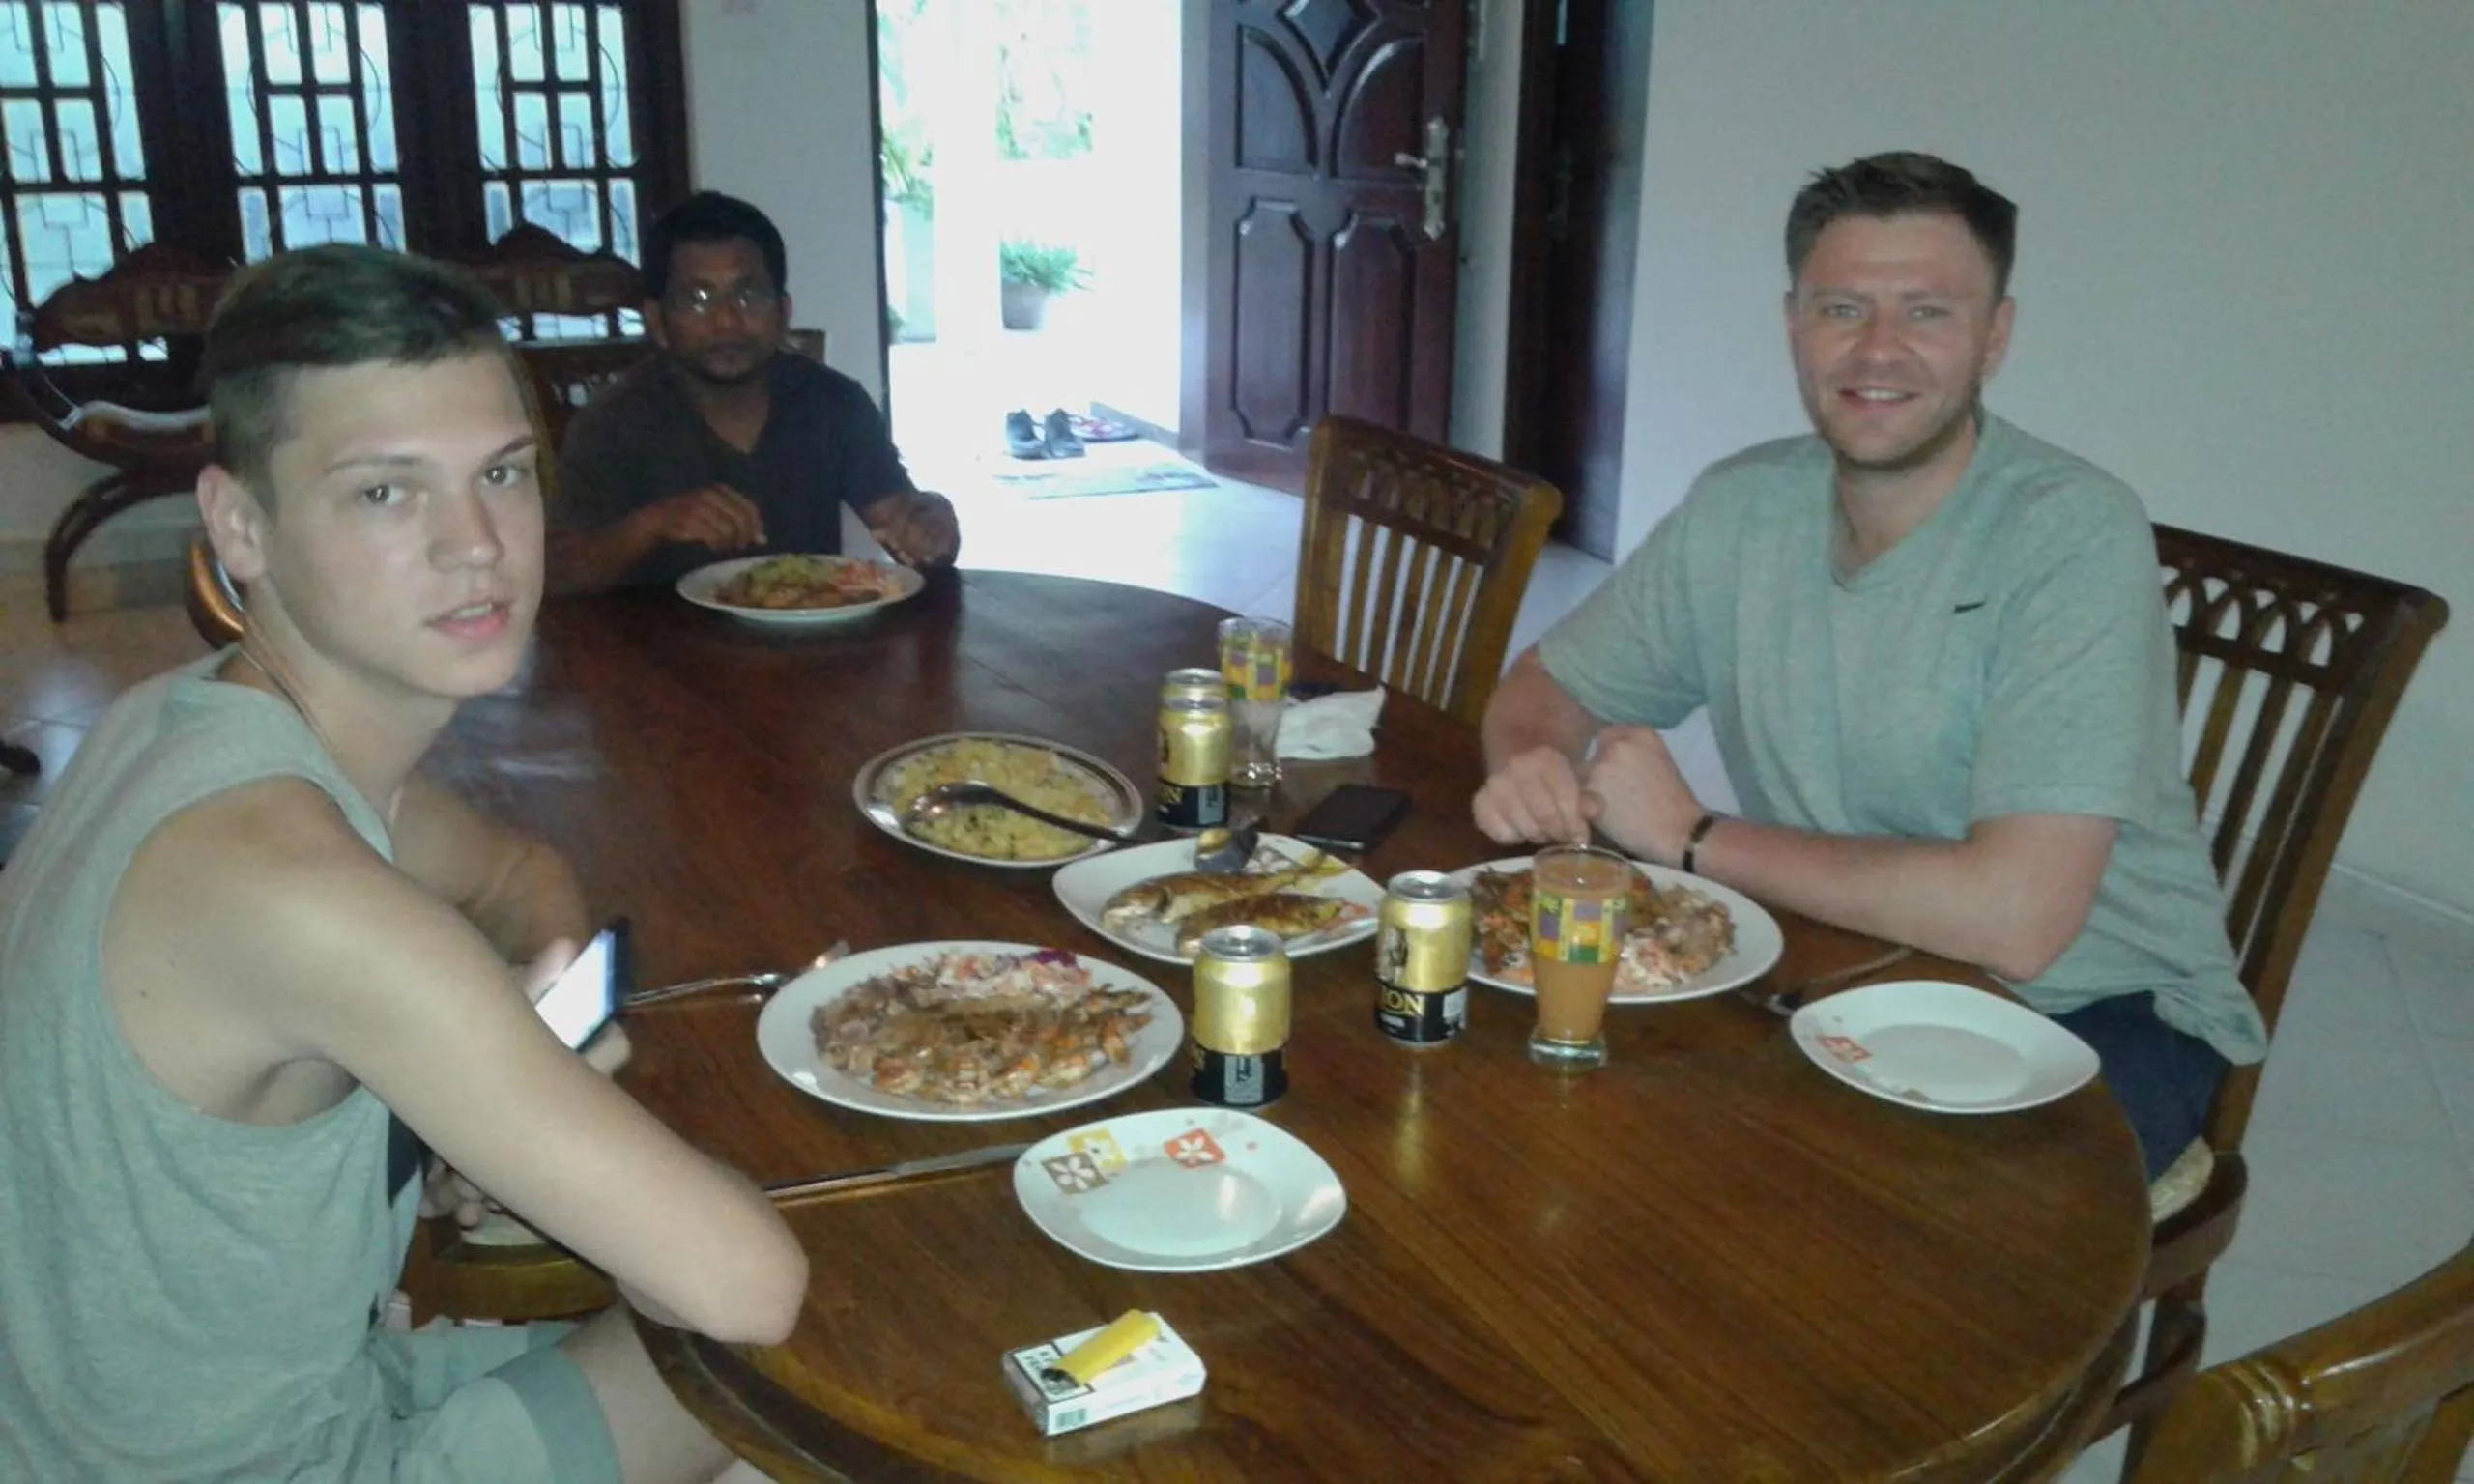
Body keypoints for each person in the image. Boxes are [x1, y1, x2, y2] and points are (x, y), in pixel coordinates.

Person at [0, 244, 807, 1481]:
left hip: (165, 1417)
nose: (475, 544)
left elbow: (517, 874)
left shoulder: (184, 720)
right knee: (791, 1366)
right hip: (250, 1465)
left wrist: (500, 1092)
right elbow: (749, 1287)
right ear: (239, 523)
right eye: (385, 491)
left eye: (502, 473)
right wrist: (518, 1097)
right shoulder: (300, 894)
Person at [1472, 152, 2264, 1179]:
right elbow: (1545, 688)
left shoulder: (2070, 535)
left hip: (2094, 1011)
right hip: (1845, 962)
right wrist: (1531, 760)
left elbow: (2017, 922)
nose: (1877, 348)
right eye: (1842, 308)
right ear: (1793, 324)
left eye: (1926, 312)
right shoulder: (1742, 507)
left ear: (1995, 336)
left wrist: (1693, 836)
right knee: (1538, 1121)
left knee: (1805, 1229)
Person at [548, 190, 959, 592]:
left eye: (748, 295)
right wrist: (652, 524)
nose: (727, 320)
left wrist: (930, 527)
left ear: (783, 312)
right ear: (657, 321)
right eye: (698, 299)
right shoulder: (613, 423)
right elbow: (556, 575)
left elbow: (898, 520)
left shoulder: (832, 402)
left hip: (814, 633)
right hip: (652, 638)